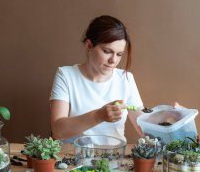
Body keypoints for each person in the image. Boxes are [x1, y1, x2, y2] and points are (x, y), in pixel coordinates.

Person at [49, 15, 144, 144]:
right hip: (74, 160)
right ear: (89, 46)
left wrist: (173, 119)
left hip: (114, 158)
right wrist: (99, 115)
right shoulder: (66, 75)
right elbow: (58, 130)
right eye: (107, 51)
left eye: (119, 54)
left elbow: (144, 128)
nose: (113, 60)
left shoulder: (126, 79)